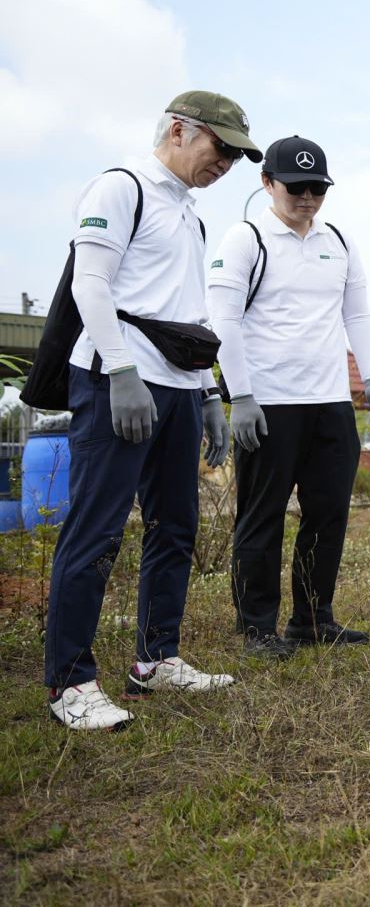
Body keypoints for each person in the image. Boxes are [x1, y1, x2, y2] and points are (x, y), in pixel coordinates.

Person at [43, 91, 255, 730]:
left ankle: (156, 659)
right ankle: (70, 683)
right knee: (97, 530)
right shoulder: (121, 187)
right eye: (220, 147)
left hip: (180, 387)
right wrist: (123, 370)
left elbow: (187, 312)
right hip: (118, 381)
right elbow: (91, 283)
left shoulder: (188, 214)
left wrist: (211, 393)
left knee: (176, 527)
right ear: (179, 129)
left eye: (237, 157)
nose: (226, 164)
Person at [208, 135, 370, 659]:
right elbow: (225, 320)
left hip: (329, 402)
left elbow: (357, 313)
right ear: (267, 183)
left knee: (328, 512)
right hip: (268, 403)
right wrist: (239, 395)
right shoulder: (245, 239)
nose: (307, 198)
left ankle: (312, 618)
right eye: (296, 187)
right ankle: (256, 627)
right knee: (261, 516)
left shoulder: (339, 241)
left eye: (318, 188)